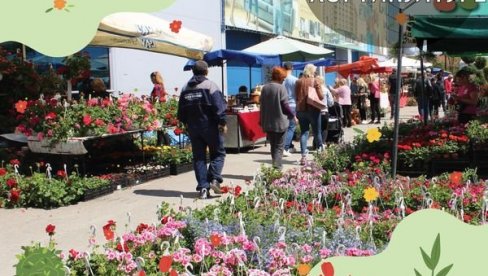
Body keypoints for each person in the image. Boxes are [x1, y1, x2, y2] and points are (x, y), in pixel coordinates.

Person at [177, 60, 227, 199]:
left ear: (193, 72)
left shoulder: (185, 88)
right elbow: (219, 107)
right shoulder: (210, 85)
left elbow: (181, 112)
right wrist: (222, 123)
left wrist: (188, 124)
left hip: (194, 128)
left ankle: (203, 189)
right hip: (210, 127)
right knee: (218, 154)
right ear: (206, 71)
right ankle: (214, 179)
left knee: (199, 158)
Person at [259, 66, 297, 170]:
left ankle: (275, 165)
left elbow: (261, 105)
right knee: (279, 146)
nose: (284, 80)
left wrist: (261, 119)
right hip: (280, 122)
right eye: (283, 78)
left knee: (273, 145)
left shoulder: (265, 88)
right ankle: (277, 167)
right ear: (279, 77)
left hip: (268, 121)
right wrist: (293, 116)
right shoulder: (281, 88)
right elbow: (285, 105)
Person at [295, 63, 324, 165]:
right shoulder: (315, 80)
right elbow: (321, 96)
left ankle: (303, 156)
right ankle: (321, 152)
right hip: (313, 109)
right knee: (317, 132)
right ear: (312, 71)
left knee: (304, 132)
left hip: (301, 110)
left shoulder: (298, 81)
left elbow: (296, 96)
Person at [283, 62, 298, 157]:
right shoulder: (295, 80)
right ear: (292, 68)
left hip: (282, 104)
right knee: (291, 127)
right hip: (292, 104)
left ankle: (288, 146)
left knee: (285, 127)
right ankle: (285, 148)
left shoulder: (281, 79)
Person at [315, 76, 334, 147]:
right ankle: (322, 143)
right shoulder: (326, 90)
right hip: (324, 111)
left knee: (316, 129)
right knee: (324, 128)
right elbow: (331, 102)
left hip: (315, 111)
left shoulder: (313, 89)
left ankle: (316, 144)